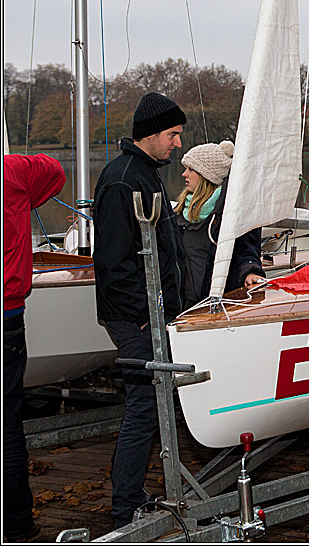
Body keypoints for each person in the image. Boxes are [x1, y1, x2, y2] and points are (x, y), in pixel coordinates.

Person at [92, 92, 187, 527]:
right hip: (134, 316)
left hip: (152, 311)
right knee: (145, 404)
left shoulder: (145, 174)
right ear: (150, 134)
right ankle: (124, 506)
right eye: (173, 134)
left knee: (152, 402)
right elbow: (113, 262)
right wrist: (145, 315)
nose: (177, 144)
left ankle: (132, 493)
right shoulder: (122, 180)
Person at [3, 153, 66, 542]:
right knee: (7, 426)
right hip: (7, 314)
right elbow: (55, 172)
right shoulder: (13, 171)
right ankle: (16, 526)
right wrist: (24, 198)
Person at [173, 140, 264, 308]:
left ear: (206, 175)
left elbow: (246, 249)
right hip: (184, 307)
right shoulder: (179, 212)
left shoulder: (233, 213)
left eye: (190, 169)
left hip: (219, 306)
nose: (184, 174)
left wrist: (250, 271)